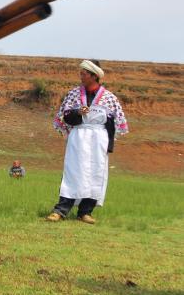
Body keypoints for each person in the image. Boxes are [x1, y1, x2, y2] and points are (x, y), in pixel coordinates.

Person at [46, 60, 128, 224]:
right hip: (79, 136)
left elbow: (112, 124)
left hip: (99, 139)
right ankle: (61, 210)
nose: (81, 76)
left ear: (94, 75)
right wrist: (77, 112)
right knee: (73, 172)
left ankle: (85, 212)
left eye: (84, 73)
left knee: (95, 174)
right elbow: (66, 117)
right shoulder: (73, 94)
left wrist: (109, 145)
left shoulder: (109, 98)